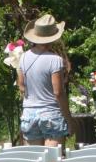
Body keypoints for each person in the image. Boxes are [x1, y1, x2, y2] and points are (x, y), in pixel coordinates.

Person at [17, 13, 72, 147]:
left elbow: (21, 86)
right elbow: (58, 93)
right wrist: (69, 119)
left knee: (34, 161)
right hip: (51, 114)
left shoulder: (23, 57)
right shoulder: (55, 60)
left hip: (29, 114)